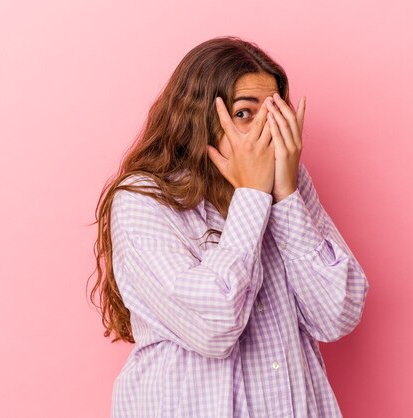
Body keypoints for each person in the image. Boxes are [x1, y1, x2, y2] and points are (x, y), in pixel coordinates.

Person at [88, 35, 369, 417]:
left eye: (275, 113)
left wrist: (285, 196)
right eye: (244, 113)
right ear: (200, 118)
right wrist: (253, 195)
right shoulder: (142, 199)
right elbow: (212, 326)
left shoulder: (287, 179)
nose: (266, 131)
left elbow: (337, 314)